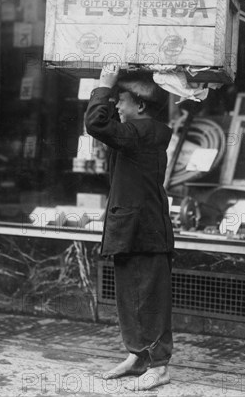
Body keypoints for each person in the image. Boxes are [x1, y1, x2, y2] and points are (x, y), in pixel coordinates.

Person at [84, 65, 174, 391]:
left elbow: (96, 122)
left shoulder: (144, 132)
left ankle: (160, 365)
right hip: (133, 229)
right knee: (132, 297)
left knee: (149, 297)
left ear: (140, 105)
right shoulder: (139, 134)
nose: (117, 107)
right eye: (116, 100)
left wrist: (104, 85)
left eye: (121, 101)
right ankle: (139, 356)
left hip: (144, 232)